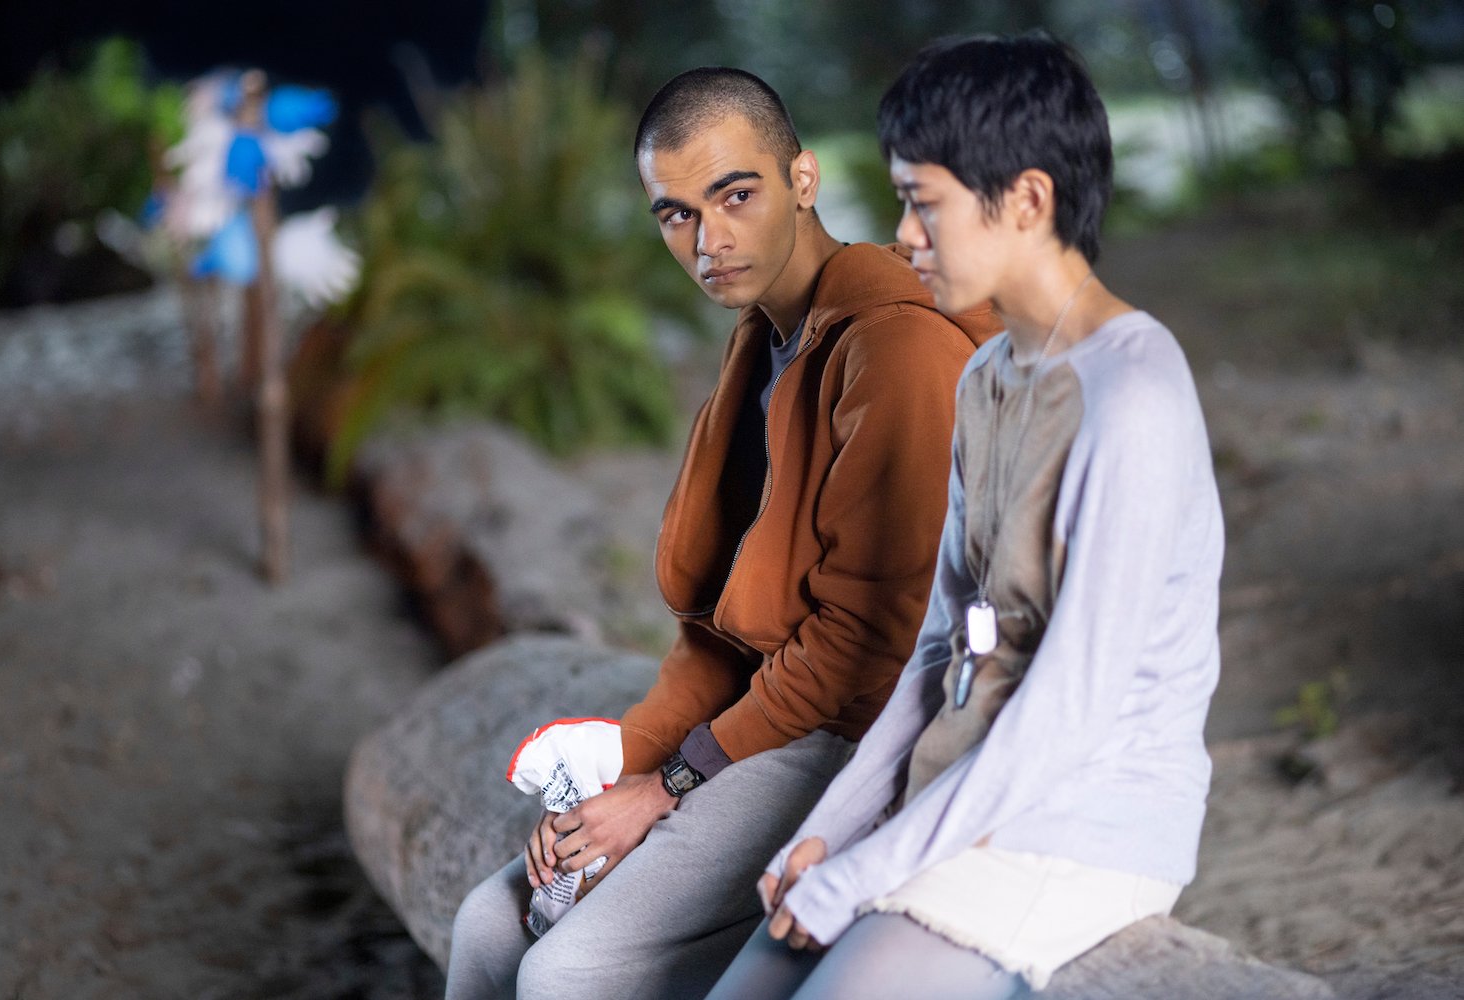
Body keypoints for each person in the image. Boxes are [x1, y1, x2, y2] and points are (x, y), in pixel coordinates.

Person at [443, 67, 999, 1000]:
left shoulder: (895, 346)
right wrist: (615, 770)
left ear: (804, 180)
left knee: (568, 973)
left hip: (863, 741)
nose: (710, 239)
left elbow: (866, 644)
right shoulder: (762, 344)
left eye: (736, 195)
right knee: (489, 926)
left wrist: (664, 790)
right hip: (765, 724)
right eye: (677, 214)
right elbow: (718, 637)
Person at [706, 34, 1226, 1000]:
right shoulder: (988, 375)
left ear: (1027, 200)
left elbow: (1070, 713)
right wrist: (836, 827)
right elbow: (939, 648)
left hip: (1081, 827)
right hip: (965, 789)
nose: (904, 235)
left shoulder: (1135, 395)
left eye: (923, 201)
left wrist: (865, 872)